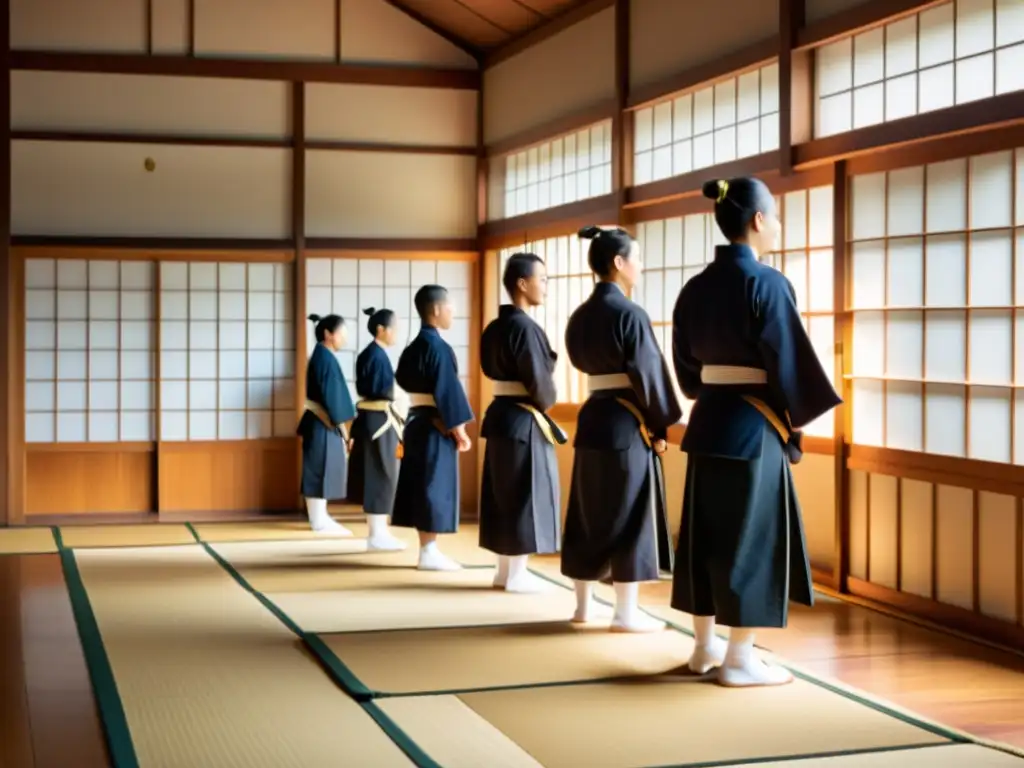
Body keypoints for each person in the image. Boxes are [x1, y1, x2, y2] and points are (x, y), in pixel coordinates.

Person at [670, 177, 842, 687]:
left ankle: (704, 647)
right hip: (753, 428)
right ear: (758, 220)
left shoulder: (693, 288)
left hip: (708, 426)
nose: (780, 225)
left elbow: (687, 377)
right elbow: (787, 364)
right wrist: (793, 421)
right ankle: (739, 658)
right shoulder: (767, 283)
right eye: (777, 216)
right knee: (751, 539)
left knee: (704, 538)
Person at [562, 226, 682, 633]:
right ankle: (625, 614)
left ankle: (582, 607)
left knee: (587, 510)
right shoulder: (630, 314)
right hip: (627, 421)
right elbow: (648, 372)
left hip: (593, 415)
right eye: (637, 257)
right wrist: (660, 422)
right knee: (631, 512)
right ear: (618, 263)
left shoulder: (580, 316)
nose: (641, 265)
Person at [480, 252, 565, 593]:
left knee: (504, 494)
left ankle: (503, 572)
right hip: (523, 418)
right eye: (541, 279)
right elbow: (540, 384)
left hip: (501, 416)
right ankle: (516, 575)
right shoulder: (525, 328)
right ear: (522, 283)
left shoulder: (496, 327)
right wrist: (547, 401)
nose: (545, 286)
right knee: (524, 494)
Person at [392, 284, 475, 571]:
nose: (453, 313)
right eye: (450, 308)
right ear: (437, 310)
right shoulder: (438, 348)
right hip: (435, 425)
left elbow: (402, 379)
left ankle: (428, 548)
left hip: (417, 421)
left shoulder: (413, 348)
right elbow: (447, 391)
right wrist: (459, 430)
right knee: (433, 486)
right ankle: (428, 551)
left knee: (424, 484)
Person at [346, 307, 407, 552]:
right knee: (382, 473)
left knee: (382, 472)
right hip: (380, 421)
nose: (396, 335)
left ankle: (379, 531)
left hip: (373, 419)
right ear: (381, 329)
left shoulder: (371, 354)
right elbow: (381, 390)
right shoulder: (375, 355)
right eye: (394, 329)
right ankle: (377, 533)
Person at [299, 313, 356, 535]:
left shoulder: (324, 356)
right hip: (322, 421)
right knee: (318, 467)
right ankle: (318, 520)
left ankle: (320, 517)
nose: (345, 338)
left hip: (320, 421)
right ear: (328, 334)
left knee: (321, 466)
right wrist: (345, 430)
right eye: (342, 333)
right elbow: (332, 398)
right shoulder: (324, 358)